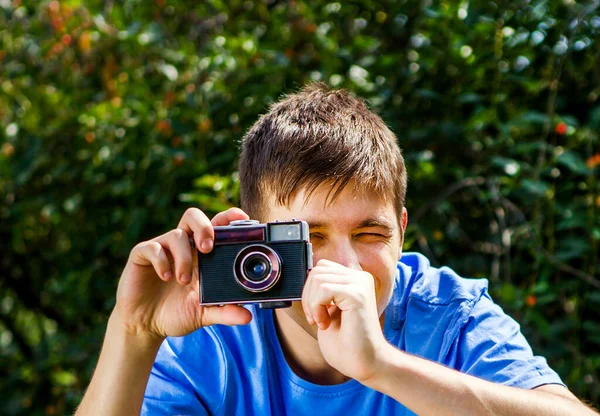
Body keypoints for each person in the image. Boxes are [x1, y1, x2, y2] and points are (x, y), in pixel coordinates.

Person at [76, 83, 597, 415]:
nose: (345, 266)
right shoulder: (213, 339)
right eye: (310, 238)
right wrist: (134, 332)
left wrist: (384, 367)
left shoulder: (447, 316)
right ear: (254, 244)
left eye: (370, 235)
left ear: (402, 231)